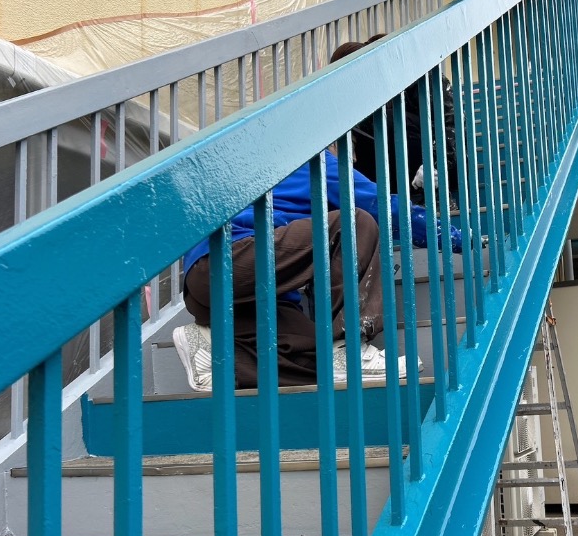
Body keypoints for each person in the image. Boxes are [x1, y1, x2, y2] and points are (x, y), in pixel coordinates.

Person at [172, 148, 463, 392]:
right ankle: (350, 347)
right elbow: (382, 206)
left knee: (316, 361)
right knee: (355, 223)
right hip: (228, 261)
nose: (351, 162)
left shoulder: (258, 173)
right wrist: (453, 237)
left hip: (217, 289)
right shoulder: (312, 159)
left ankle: (211, 351)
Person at [329, 35, 459, 207]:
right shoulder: (362, 102)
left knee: (387, 123)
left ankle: (429, 200)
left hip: (441, 165)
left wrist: (435, 165)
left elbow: (450, 123)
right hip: (397, 173)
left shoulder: (420, 75)